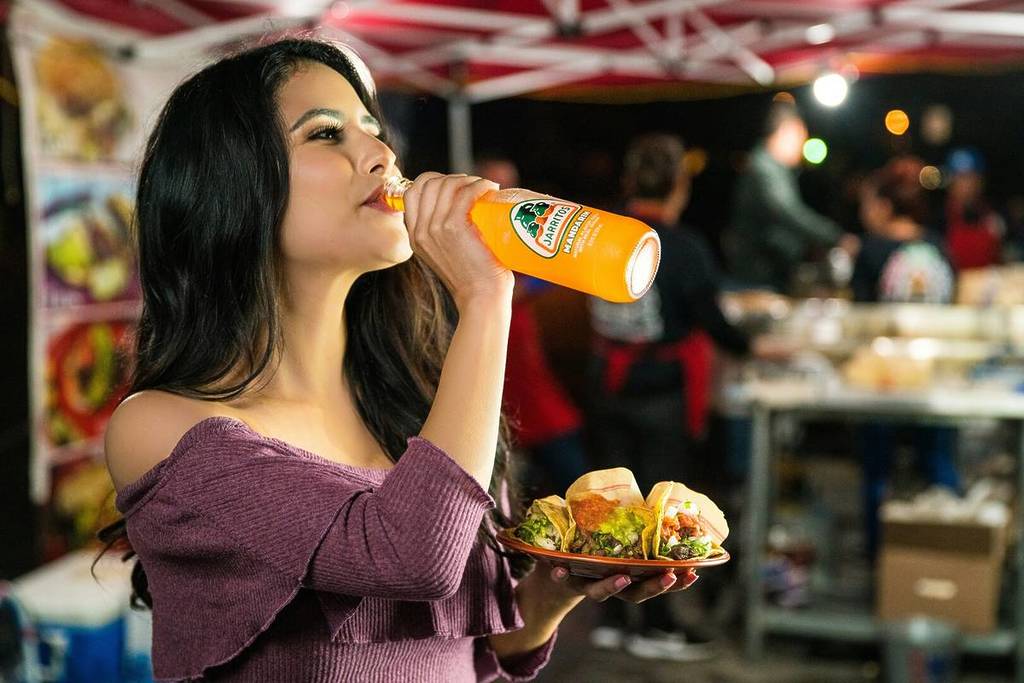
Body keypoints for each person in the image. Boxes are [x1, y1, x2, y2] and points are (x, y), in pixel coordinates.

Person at [94, 39, 697, 682]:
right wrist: (486, 293)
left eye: (374, 130)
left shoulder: (411, 395)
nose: (381, 155)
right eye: (327, 134)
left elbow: (459, 657)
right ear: (230, 187)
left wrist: (558, 591)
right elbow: (414, 556)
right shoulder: (163, 430)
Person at [586, 133, 769, 662]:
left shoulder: (602, 234)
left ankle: (613, 615)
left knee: (611, 502)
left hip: (604, 383)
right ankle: (658, 623)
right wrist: (756, 344)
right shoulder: (682, 248)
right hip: (656, 394)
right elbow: (714, 324)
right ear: (679, 187)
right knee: (659, 508)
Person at [853, 167, 959, 557]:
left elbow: (858, 319)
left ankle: (879, 558)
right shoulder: (939, 247)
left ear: (883, 206)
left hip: (882, 380)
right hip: (931, 376)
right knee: (938, 467)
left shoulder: (871, 249)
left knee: (878, 473)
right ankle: (945, 555)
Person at [474, 155, 587, 496]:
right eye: (498, 187)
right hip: (495, 360)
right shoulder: (470, 232)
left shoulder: (519, 228)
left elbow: (552, 268)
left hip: (527, 361)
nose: (507, 194)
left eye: (511, 186)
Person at [727, 101, 859, 291]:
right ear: (785, 131)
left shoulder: (774, 169)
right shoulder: (764, 169)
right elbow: (788, 212)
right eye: (800, 139)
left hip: (767, 271)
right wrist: (835, 236)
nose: (800, 149)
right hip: (758, 275)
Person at [940, 147, 1005, 272]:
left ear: (981, 182)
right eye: (961, 178)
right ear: (951, 183)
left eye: (971, 178)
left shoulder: (995, 217)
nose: (967, 186)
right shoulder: (939, 221)